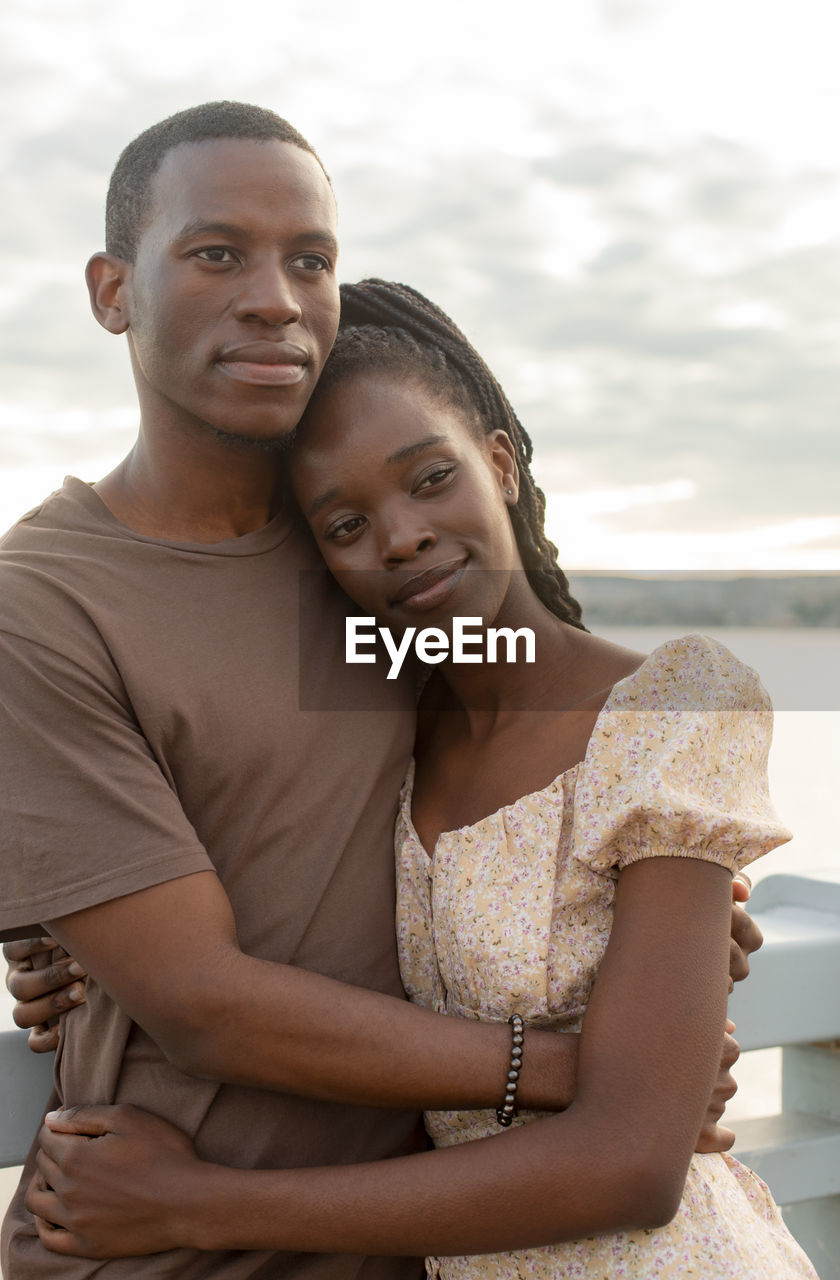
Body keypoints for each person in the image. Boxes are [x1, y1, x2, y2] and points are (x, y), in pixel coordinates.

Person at [0, 102, 759, 1278]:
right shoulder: (42, 598)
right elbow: (200, 995)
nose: (274, 296)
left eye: (310, 259)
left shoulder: (357, 564)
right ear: (113, 291)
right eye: (217, 253)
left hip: (416, 1242)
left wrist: (675, 897)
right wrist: (584, 1067)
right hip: (155, 1236)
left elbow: (572, 759)